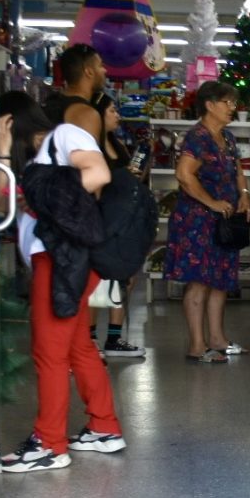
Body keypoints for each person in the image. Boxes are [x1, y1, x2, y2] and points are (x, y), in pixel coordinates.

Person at [0, 90, 128, 473]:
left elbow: (98, 172)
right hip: (58, 258)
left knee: (49, 351)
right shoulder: (39, 155)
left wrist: (50, 204)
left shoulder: (65, 136)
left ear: (11, 120)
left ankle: (49, 442)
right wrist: (5, 155)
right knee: (76, 348)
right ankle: (104, 426)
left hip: (61, 259)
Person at [164, 80, 250, 364]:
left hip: (223, 221)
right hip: (197, 221)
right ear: (209, 105)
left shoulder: (225, 138)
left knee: (220, 280)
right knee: (200, 281)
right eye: (226, 103)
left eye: (232, 103)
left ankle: (217, 338)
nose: (232, 108)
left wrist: (244, 196)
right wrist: (211, 202)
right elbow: (184, 175)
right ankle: (197, 345)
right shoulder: (196, 138)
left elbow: (238, 170)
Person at [88, 93, 147, 359]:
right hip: (101, 220)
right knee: (97, 282)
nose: (117, 115)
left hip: (123, 221)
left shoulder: (119, 145)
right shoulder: (90, 147)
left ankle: (114, 337)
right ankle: (89, 339)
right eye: (112, 110)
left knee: (124, 279)